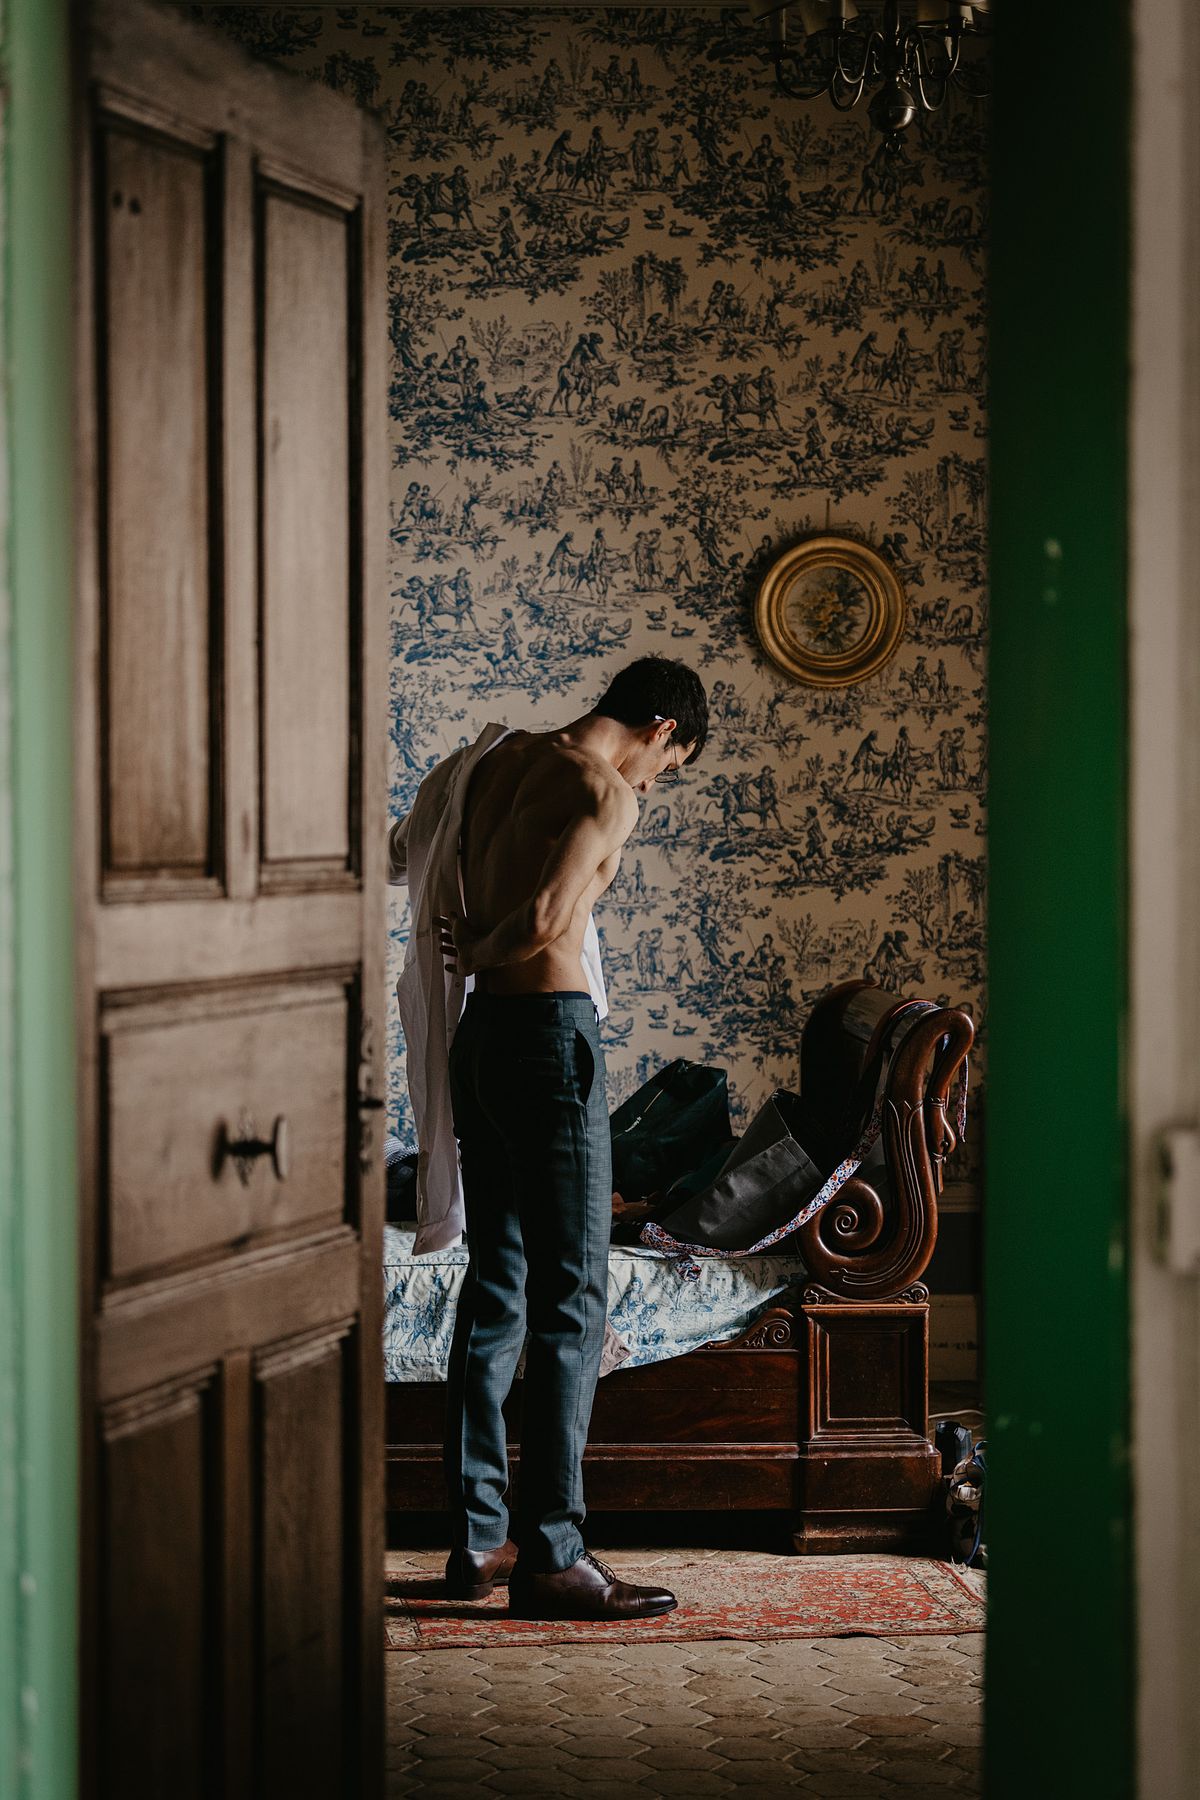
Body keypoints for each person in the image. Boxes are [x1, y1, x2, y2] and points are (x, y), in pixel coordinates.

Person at [389, 658, 707, 1623]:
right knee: (573, 1295)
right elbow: (540, 921)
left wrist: (467, 960)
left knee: (498, 1282)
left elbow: (410, 853)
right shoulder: (603, 792)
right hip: (547, 1037)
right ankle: (555, 1558)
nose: (655, 781)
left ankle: (479, 1537)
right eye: (668, 764)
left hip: (479, 1042)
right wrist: (481, 948)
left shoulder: (492, 763)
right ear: (661, 729)